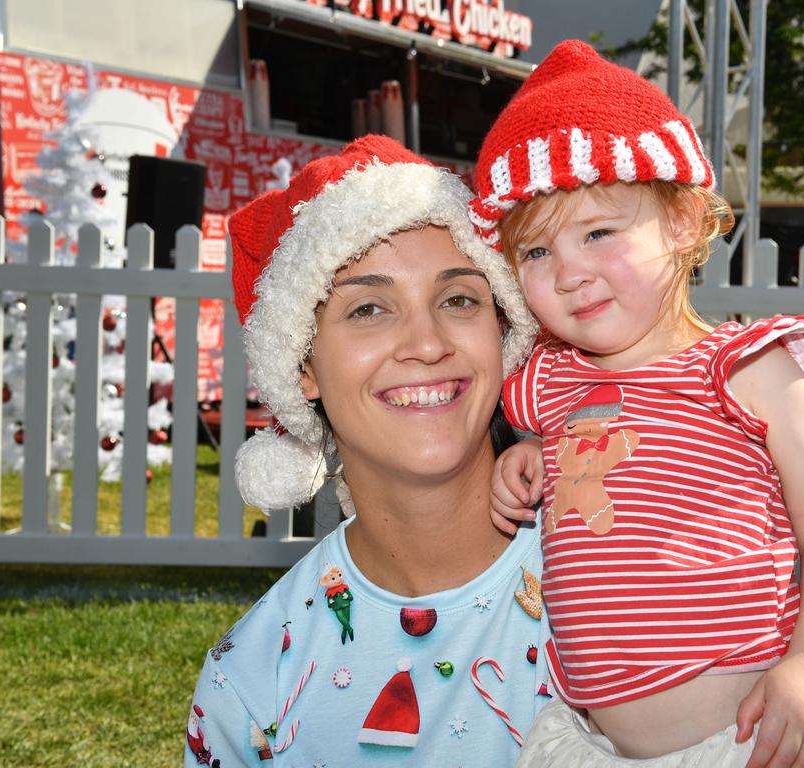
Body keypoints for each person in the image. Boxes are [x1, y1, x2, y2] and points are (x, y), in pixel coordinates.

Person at [474, 40, 804, 767]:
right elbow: (609, 448)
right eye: (536, 254)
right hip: (599, 748)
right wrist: (530, 452)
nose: (571, 272)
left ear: (681, 222)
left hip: (760, 737)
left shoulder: (747, 370)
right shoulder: (547, 384)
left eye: (600, 232)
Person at [186, 136, 547, 767]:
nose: (427, 343)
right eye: (369, 309)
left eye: (459, 298)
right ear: (304, 366)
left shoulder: (627, 571)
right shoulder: (252, 681)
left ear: (504, 330)